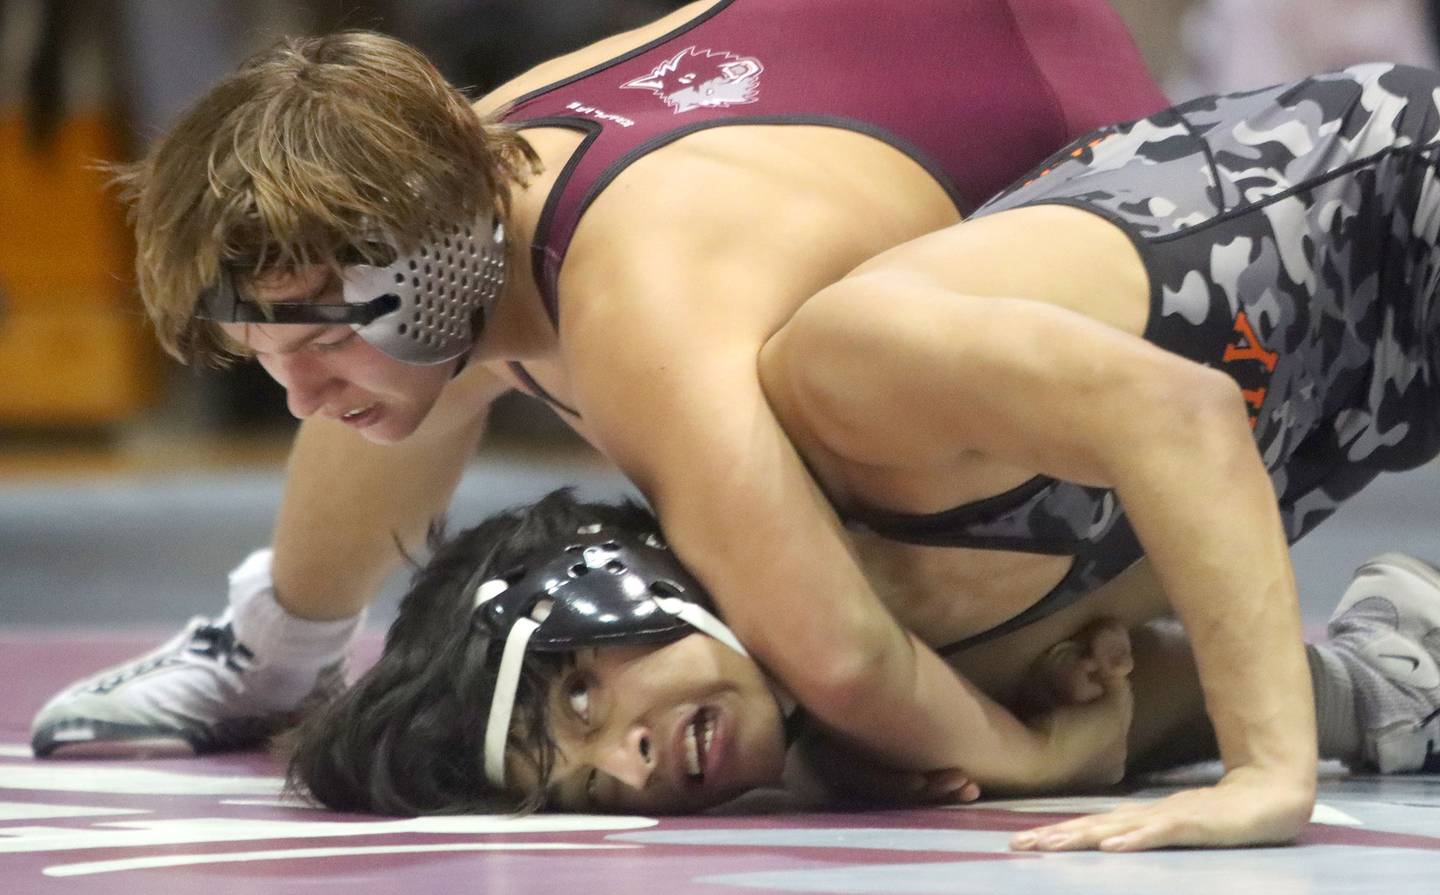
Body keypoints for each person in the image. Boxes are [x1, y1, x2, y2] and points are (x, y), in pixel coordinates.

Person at [34, 0, 1439, 852]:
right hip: (1155, 193)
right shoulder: (446, 168)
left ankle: (1319, 705)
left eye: (318, 336)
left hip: (1213, 176)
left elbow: (842, 650)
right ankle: (267, 639)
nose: (304, 391)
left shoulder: (644, 307)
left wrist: (1030, 763)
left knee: (874, 647)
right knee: (819, 618)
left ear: (433, 260)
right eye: (263, 359)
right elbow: (380, 387)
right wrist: (289, 639)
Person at [282, 489, 1440, 821]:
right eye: (588, 783)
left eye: (583, 696)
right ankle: (1368, 681)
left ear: (615, 577)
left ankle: (1368, 684)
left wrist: (1044, 751)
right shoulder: (811, 729)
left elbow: (1174, 446)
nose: (632, 763)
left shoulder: (849, 538)